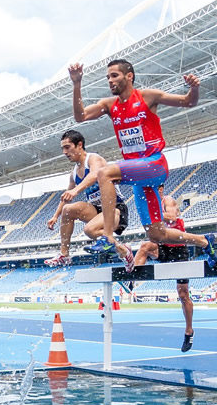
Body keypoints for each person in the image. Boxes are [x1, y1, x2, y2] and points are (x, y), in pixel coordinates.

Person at [68, 59, 216, 270]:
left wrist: (194, 88)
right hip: (138, 176)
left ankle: (108, 238)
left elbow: (188, 102)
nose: (110, 80)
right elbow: (80, 116)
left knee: (104, 173)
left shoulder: (148, 97)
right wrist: (76, 83)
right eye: (108, 77)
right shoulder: (109, 105)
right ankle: (205, 241)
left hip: (154, 164)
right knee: (156, 233)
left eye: (115, 75)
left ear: (129, 76)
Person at [44, 130, 129, 267]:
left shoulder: (94, 159)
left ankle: (124, 251)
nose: (64, 152)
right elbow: (67, 195)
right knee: (68, 209)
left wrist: (76, 190)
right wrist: (55, 216)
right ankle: (64, 255)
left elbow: (95, 174)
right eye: (62, 149)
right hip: (96, 210)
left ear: (79, 145)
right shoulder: (73, 173)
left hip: (115, 208)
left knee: (90, 230)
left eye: (67, 147)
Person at [133, 194, 194, 352]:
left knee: (183, 295)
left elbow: (172, 217)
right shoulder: (151, 204)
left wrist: (152, 215)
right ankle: (132, 279)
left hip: (179, 250)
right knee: (145, 246)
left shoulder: (168, 201)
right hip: (164, 248)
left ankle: (189, 330)